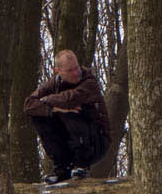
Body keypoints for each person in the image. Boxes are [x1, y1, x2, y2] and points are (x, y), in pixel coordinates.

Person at [24, 50, 109, 183]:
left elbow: (70, 99)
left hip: (97, 141)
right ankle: (62, 166)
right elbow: (29, 105)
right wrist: (53, 108)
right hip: (69, 139)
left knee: (70, 109)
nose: (76, 73)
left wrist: (48, 100)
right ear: (58, 71)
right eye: (70, 70)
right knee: (41, 115)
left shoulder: (89, 81)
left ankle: (81, 164)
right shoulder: (54, 84)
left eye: (77, 68)